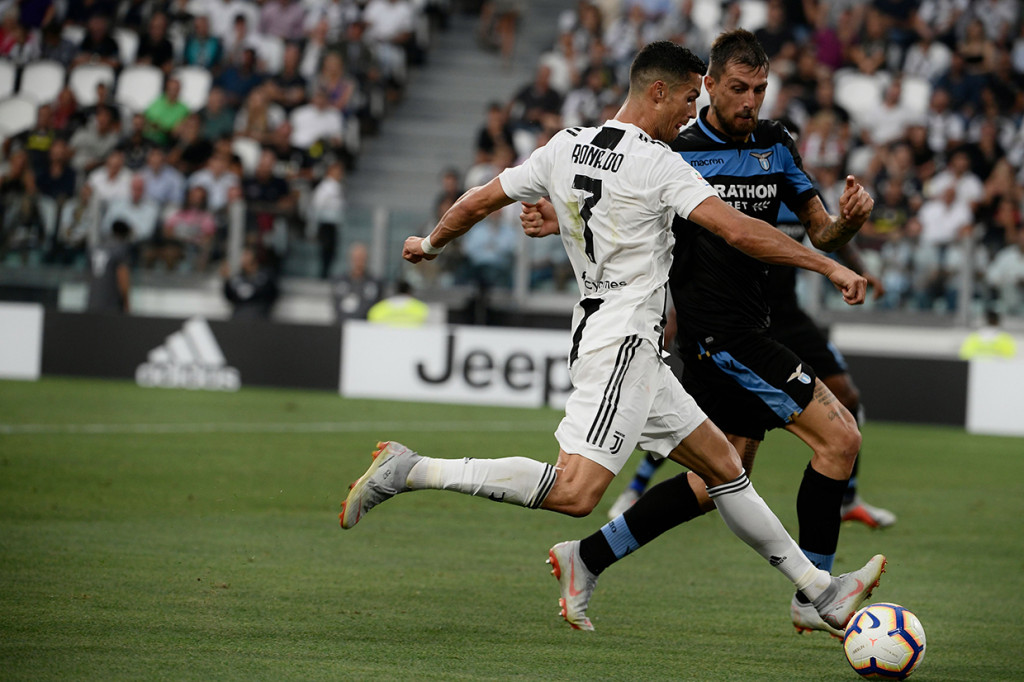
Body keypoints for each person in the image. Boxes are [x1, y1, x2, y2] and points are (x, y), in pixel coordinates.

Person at [340, 41, 884, 633]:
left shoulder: (565, 146)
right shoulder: (660, 163)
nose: (690, 112)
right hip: (622, 342)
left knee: (726, 469)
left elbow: (479, 200)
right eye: (687, 99)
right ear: (658, 92)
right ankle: (411, 469)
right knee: (575, 493)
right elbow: (740, 231)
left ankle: (819, 591)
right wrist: (829, 266)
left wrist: (429, 243)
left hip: (630, 342)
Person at [522, 30, 879, 636]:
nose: (751, 101)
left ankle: (588, 556)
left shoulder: (775, 144)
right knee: (840, 438)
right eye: (738, 88)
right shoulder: (673, 150)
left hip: (753, 325)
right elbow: (620, 206)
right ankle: (817, 593)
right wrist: (560, 216)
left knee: (717, 478)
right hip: (720, 336)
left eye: (760, 89)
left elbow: (820, 230)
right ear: (708, 85)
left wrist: (845, 224)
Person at [86, 220, 132, 314]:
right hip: (111, 304)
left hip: (92, 302)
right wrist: (127, 304)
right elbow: (123, 277)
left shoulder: (95, 248)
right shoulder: (120, 249)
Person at [330, 242, 382, 322]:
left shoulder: (375, 283)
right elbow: (337, 307)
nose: (359, 261)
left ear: (367, 259)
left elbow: (376, 308)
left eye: (361, 258)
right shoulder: (340, 281)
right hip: (342, 324)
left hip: (365, 326)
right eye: (356, 258)